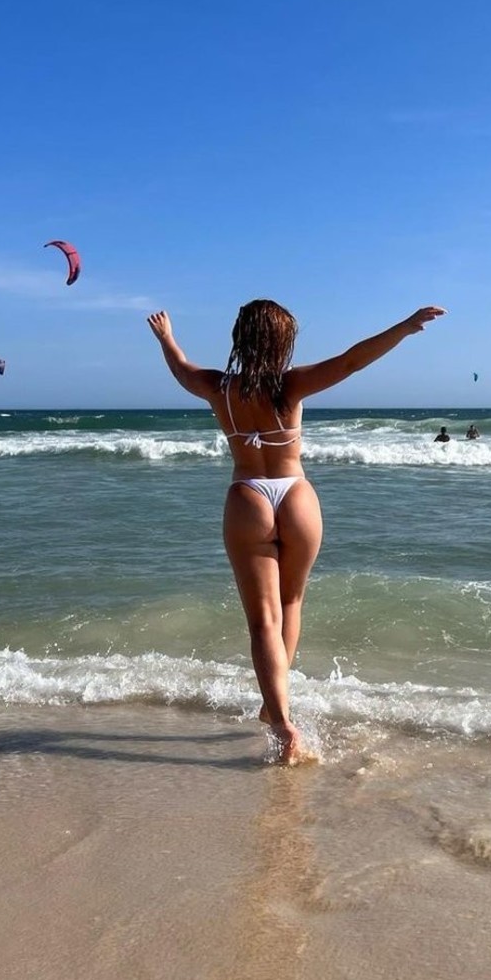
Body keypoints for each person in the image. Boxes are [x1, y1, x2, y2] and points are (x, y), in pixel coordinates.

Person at [148, 300, 446, 763]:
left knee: (263, 619)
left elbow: (181, 369)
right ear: (283, 342)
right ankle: (275, 707)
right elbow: (351, 361)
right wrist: (404, 328)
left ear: (241, 339)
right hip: (296, 498)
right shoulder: (291, 385)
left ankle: (281, 718)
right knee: (291, 603)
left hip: (247, 497)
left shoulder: (218, 388)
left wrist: (166, 338)